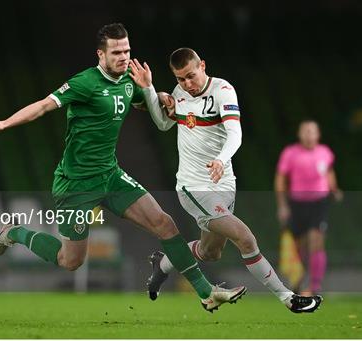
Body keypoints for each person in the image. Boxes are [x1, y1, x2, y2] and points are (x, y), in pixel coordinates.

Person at [0, 23, 237, 312]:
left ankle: (205, 292)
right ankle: (15, 233)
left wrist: (161, 95)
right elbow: (42, 106)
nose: (124, 56)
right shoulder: (84, 83)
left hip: (111, 175)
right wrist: (4, 123)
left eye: (126, 50)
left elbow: (143, 102)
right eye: (116, 52)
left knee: (165, 224)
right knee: (71, 261)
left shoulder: (129, 79)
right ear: (100, 54)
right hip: (76, 183)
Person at [129, 47, 322, 313]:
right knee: (244, 237)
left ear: (203, 66)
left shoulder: (222, 91)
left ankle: (163, 263)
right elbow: (164, 124)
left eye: (191, 76)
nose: (187, 84)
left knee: (210, 252)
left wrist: (221, 160)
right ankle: (289, 298)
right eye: (180, 79)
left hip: (223, 183)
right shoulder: (179, 94)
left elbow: (235, 134)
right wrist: (151, 90)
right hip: (194, 186)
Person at [275, 120, 342, 295]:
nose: (309, 135)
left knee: (316, 241)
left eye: (312, 131)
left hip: (319, 202)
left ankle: (315, 286)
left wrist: (334, 189)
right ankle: (297, 282)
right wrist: (282, 205)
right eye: (305, 131)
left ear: (318, 135)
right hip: (297, 203)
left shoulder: (325, 152)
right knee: (298, 246)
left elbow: (328, 172)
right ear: (300, 134)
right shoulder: (290, 153)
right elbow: (281, 179)